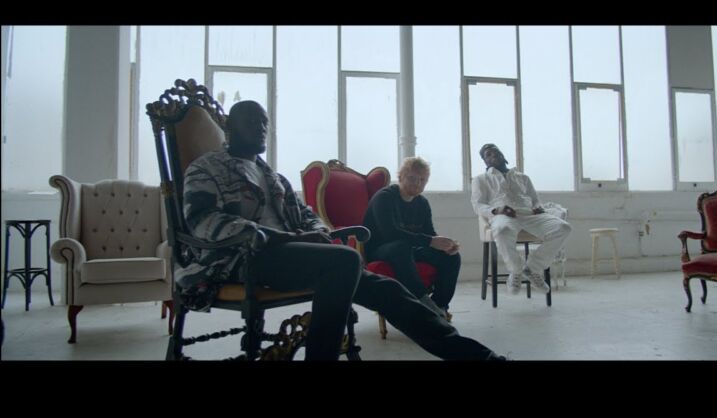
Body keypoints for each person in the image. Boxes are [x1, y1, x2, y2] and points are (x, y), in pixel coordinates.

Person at [179, 100, 504, 361]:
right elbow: (203, 221)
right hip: (241, 258)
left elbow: (306, 215)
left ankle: (479, 356)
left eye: (264, 122)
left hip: (290, 256)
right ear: (229, 127)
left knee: (388, 291)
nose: (261, 128)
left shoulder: (272, 176)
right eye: (252, 121)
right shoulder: (206, 168)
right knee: (346, 260)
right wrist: (288, 238)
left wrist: (319, 233)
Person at [362, 157, 460, 320]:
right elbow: (390, 233)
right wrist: (430, 241)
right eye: (412, 178)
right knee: (401, 246)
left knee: (451, 256)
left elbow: (429, 233)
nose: (417, 183)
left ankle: (439, 306)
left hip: (408, 250)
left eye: (422, 180)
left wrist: (445, 245)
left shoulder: (422, 203)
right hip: (380, 250)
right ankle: (421, 300)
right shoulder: (384, 197)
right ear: (400, 177)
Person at [470, 143, 572, 295]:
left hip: (530, 214)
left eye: (496, 152)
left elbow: (535, 199)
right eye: (488, 155)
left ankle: (532, 268)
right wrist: (497, 210)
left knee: (563, 228)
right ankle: (516, 271)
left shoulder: (523, 177)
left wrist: (537, 207)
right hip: (504, 215)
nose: (493, 155)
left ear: (503, 155)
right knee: (502, 230)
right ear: (485, 161)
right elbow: (477, 205)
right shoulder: (481, 179)